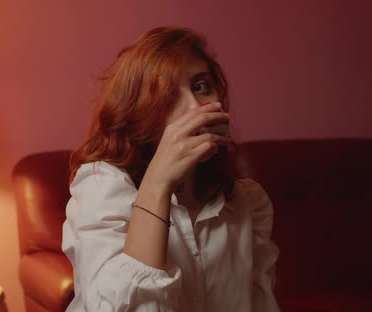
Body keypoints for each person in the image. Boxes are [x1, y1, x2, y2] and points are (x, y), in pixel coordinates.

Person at [62, 26, 280, 311]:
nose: (194, 106)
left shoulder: (249, 203)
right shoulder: (99, 188)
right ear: (137, 114)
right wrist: (158, 182)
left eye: (201, 86)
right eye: (166, 95)